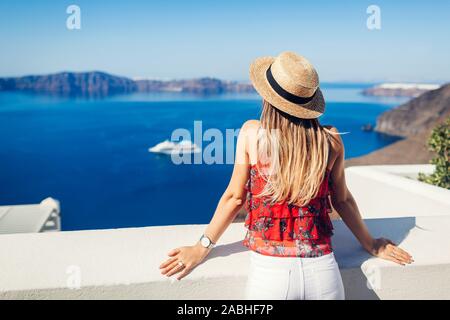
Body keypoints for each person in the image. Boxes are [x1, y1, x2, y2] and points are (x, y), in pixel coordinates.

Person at [159, 51, 413, 300]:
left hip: (271, 278)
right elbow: (342, 200)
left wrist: (201, 247)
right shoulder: (331, 139)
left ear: (268, 99)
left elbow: (235, 198)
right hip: (324, 276)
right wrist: (371, 244)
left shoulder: (252, 134)